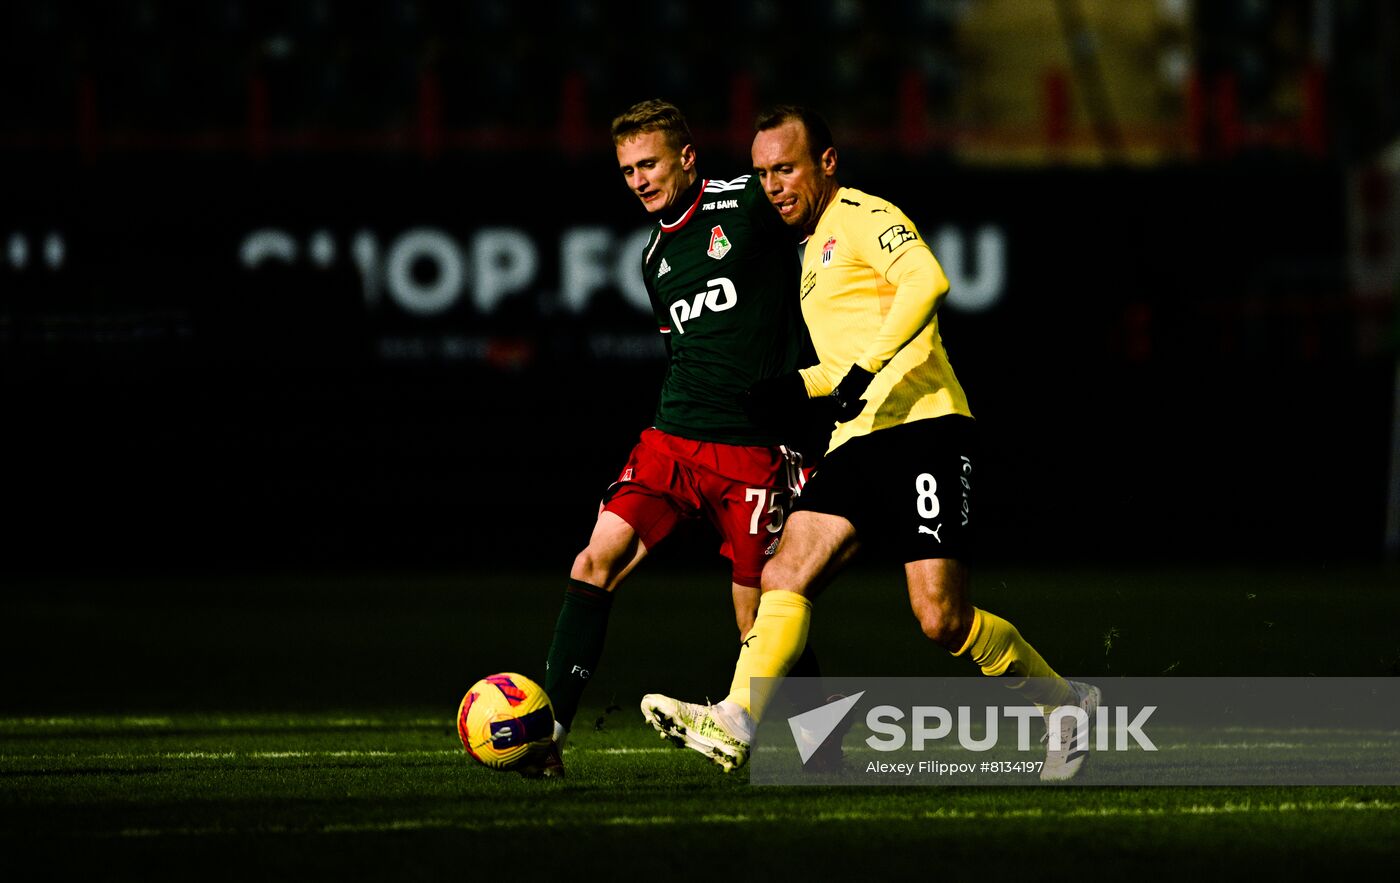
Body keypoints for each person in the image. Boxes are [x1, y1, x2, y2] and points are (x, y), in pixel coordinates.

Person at [641, 106, 1099, 782]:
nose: (773, 185)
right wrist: (794, 387)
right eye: (763, 173)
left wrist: (858, 373)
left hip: (926, 427)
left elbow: (928, 281)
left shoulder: (858, 212)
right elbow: (842, 361)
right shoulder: (811, 251)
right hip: (857, 437)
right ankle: (738, 716)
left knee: (941, 618)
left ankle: (1068, 707)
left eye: (786, 168)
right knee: (784, 569)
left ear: (825, 163)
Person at [535, 99, 828, 777]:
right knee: (593, 560)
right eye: (627, 169)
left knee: (760, 616)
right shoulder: (656, 255)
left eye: (649, 164)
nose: (638, 179)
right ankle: (548, 732)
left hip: (754, 449)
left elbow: (810, 208)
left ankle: (824, 738)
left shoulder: (747, 204)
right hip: (673, 438)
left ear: (687, 159)